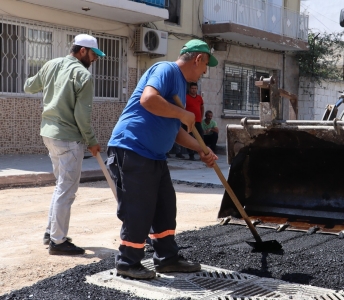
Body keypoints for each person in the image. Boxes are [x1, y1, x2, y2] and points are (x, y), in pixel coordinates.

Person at [106, 39, 218, 279]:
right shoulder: (166, 70)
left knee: (165, 206)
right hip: (132, 148)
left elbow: (175, 130)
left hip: (155, 155)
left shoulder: (181, 89)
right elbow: (148, 99)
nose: (205, 71)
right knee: (139, 209)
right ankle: (128, 262)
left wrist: (201, 149)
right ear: (198, 58)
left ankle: (167, 258)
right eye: (206, 64)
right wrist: (183, 113)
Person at [23, 34, 105, 256]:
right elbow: (82, 115)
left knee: (61, 185)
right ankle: (58, 242)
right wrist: (92, 141)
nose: (95, 59)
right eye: (93, 54)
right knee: (66, 189)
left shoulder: (51, 64)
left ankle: (51, 233)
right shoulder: (83, 75)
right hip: (69, 138)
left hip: (49, 134)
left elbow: (29, 86)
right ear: (81, 51)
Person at [185, 82, 205, 160]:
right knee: (189, 137)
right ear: (189, 89)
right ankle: (191, 155)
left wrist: (201, 117)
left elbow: (202, 107)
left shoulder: (199, 98)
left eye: (195, 88)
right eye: (192, 88)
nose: (194, 90)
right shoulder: (186, 97)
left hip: (198, 121)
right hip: (188, 121)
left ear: (197, 89)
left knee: (200, 137)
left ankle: (202, 154)